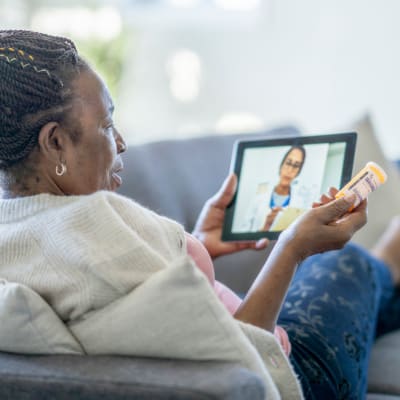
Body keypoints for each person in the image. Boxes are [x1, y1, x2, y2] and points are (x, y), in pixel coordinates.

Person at [0, 30, 400, 400]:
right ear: (54, 142)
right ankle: (390, 259)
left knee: (375, 298)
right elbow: (240, 363)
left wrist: (198, 244)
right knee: (346, 261)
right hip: (296, 377)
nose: (121, 143)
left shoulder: (21, 232)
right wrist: (293, 248)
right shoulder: (95, 233)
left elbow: (150, 313)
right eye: (106, 124)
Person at [242, 145, 306, 232]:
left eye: (296, 166)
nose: (290, 170)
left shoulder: (299, 203)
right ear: (281, 165)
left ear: (299, 171)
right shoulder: (260, 195)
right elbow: (244, 232)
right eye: (288, 163)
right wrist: (266, 227)